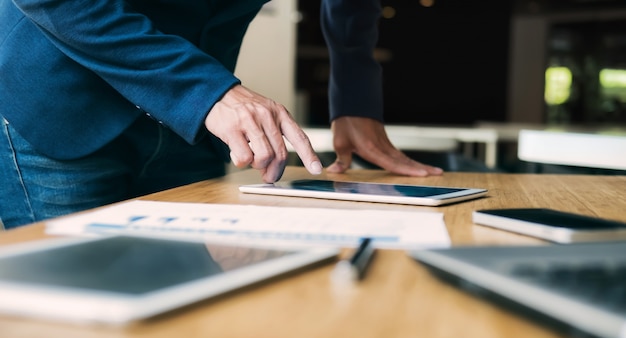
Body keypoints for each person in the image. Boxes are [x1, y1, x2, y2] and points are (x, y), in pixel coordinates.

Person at [0, 0, 442, 230]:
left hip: (191, 126)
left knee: (186, 309)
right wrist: (204, 91)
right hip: (61, 104)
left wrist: (354, 97)